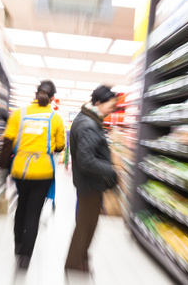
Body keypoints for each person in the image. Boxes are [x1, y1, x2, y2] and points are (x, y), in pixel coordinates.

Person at [0, 80, 65, 269]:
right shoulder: (56, 118)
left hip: (20, 169)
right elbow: (60, 146)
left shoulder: (20, 113)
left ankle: (18, 245)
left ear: (36, 94)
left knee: (21, 206)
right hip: (43, 171)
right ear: (52, 98)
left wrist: (3, 167)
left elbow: (8, 141)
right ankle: (25, 258)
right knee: (34, 213)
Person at [65, 84, 119, 272]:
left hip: (89, 183)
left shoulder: (89, 120)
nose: (111, 111)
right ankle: (74, 262)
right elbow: (87, 160)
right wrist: (110, 170)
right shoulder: (88, 125)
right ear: (97, 102)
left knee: (88, 224)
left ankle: (81, 258)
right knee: (85, 225)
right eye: (110, 107)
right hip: (89, 183)